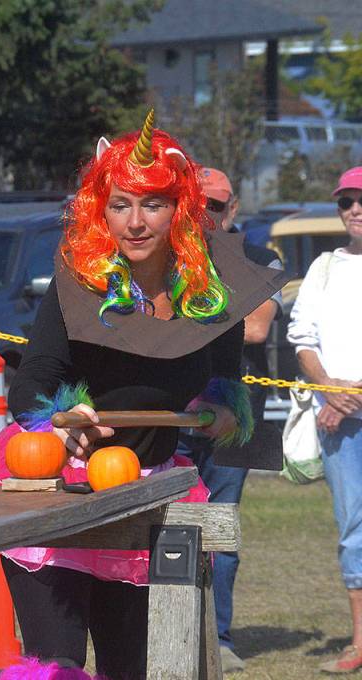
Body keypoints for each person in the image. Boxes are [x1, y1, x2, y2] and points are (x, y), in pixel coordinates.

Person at [0, 112, 285, 678]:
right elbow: (29, 386)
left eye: (152, 205)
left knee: (137, 667)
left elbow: (226, 384)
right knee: (57, 665)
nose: (136, 223)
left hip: (147, 495)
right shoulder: (79, 281)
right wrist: (59, 422)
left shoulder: (207, 292)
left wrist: (222, 412)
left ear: (180, 210)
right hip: (61, 493)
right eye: (120, 205)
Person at [174, 167, 284, 674]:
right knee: (171, 524)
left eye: (215, 206)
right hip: (174, 413)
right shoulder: (171, 258)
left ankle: (218, 638)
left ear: (233, 209)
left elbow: (257, 328)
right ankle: (173, 631)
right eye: (196, 206)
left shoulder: (260, 259)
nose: (206, 216)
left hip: (234, 416)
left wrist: (190, 310)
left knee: (222, 527)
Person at [288, 166, 362, 674]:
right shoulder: (323, 268)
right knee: (353, 528)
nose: (356, 209)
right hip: (339, 421)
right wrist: (331, 394)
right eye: (346, 201)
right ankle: (360, 641)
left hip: (345, 407)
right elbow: (302, 337)